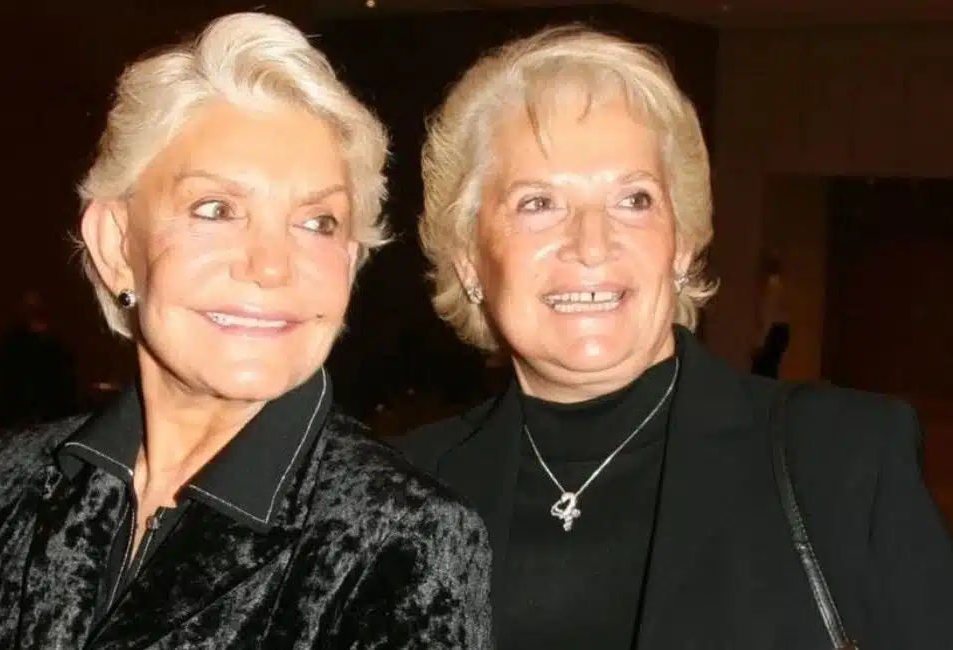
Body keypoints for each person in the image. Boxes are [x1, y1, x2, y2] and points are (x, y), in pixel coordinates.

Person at [0, 13, 490, 649]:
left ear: (349, 262)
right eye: (216, 209)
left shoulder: (400, 540)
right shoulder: (5, 484)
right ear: (117, 244)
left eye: (318, 222)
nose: (272, 265)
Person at [394, 24, 953, 650]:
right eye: (538, 203)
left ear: (681, 244)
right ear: (471, 260)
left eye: (633, 200)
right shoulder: (399, 489)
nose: (592, 244)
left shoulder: (843, 461)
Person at [0, 290, 78, 430]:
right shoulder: (12, 347)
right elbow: (10, 389)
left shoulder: (56, 345)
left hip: (55, 419)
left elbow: (65, 385)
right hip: (26, 422)